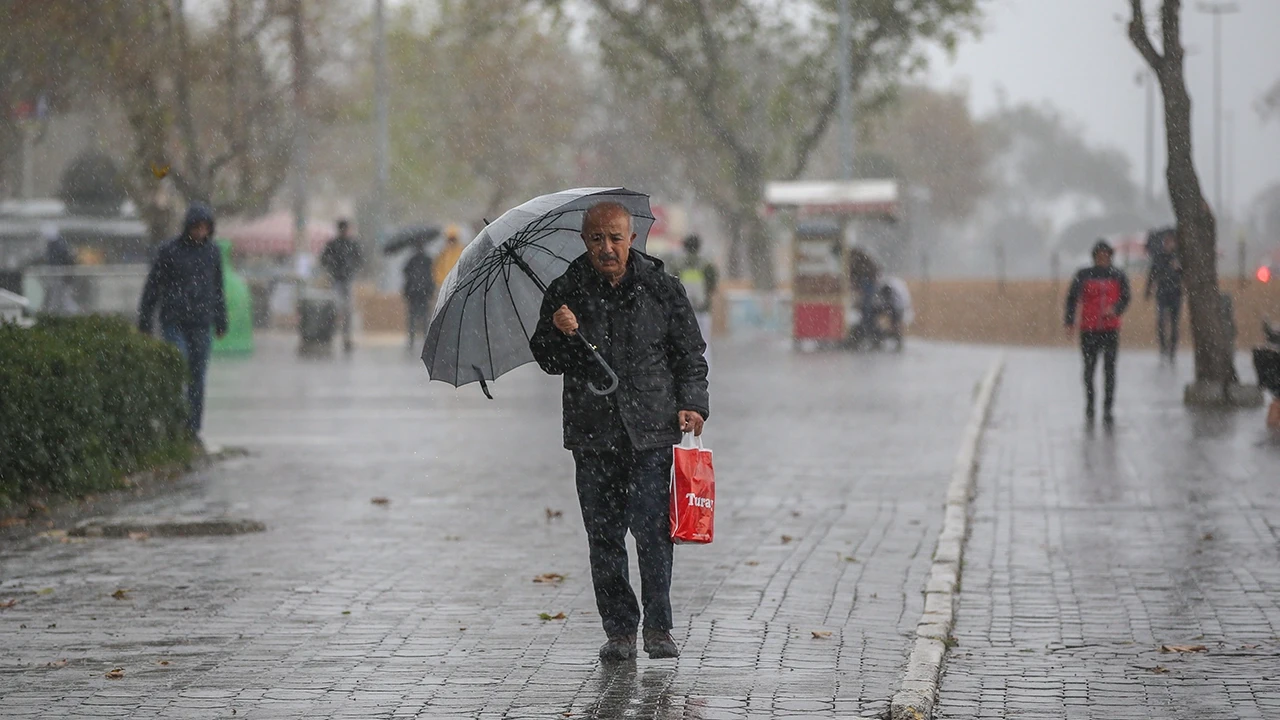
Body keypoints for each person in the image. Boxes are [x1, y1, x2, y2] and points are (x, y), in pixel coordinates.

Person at [530, 201, 710, 663]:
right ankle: (620, 630)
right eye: (596, 239)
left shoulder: (662, 289)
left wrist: (693, 402)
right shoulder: (566, 291)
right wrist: (560, 332)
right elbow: (548, 360)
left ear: (631, 238)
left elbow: (689, 352)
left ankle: (658, 626)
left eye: (615, 238)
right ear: (585, 241)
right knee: (604, 537)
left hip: (651, 431)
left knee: (652, 533)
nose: (606, 248)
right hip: (593, 436)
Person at [138, 202, 227, 438]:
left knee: (198, 377)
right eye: (196, 227)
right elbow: (153, 287)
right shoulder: (169, 251)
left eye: (204, 228)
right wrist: (145, 320)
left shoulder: (213, 252)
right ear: (188, 227)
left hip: (201, 322)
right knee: (179, 368)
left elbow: (217, 288)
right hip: (174, 320)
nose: (200, 232)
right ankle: (174, 422)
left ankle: (192, 428)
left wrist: (220, 320)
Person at [1064, 239, 1131, 424]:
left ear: (1110, 256)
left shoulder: (1118, 275)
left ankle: (1108, 407)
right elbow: (1072, 298)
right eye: (1099, 255)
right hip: (1089, 329)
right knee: (1089, 370)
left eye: (1105, 255)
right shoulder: (1084, 274)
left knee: (1109, 370)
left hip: (1110, 329)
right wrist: (1070, 322)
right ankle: (1090, 405)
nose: (1102, 258)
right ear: (1094, 257)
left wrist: (1115, 309)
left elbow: (1126, 297)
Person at [668, 234, 718, 367]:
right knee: (704, 342)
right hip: (703, 310)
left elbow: (672, 286)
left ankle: (688, 370)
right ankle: (705, 372)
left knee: (684, 342)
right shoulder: (706, 264)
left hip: (683, 310)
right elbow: (712, 285)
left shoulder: (678, 265)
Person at [319, 219, 364, 353]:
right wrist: (333, 265)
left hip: (346, 280)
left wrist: (350, 267)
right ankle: (333, 335)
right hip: (337, 280)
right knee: (335, 309)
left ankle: (346, 337)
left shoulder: (351, 244)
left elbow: (359, 259)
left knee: (347, 310)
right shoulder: (334, 244)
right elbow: (324, 259)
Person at [1145, 228, 1182, 362]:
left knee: (1174, 323)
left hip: (1176, 293)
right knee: (1161, 321)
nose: (1168, 244)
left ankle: (1172, 348)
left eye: (1171, 241)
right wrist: (1148, 290)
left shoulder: (1178, 257)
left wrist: (1179, 268)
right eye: (1166, 241)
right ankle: (1163, 347)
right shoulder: (1158, 257)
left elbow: (1185, 275)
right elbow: (1152, 274)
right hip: (1162, 292)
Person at [402, 241, 435, 352]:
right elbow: (431, 276)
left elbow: (405, 273)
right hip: (424, 292)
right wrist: (431, 290)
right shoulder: (428, 260)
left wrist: (406, 291)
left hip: (413, 292)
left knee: (412, 316)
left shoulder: (410, 260)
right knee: (425, 315)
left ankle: (411, 338)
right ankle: (426, 338)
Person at [432, 224, 464, 293]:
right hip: (445, 285)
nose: (451, 242)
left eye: (453, 239)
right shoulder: (443, 253)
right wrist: (441, 282)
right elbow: (438, 269)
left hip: (458, 284)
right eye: (450, 239)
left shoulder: (462, 251)